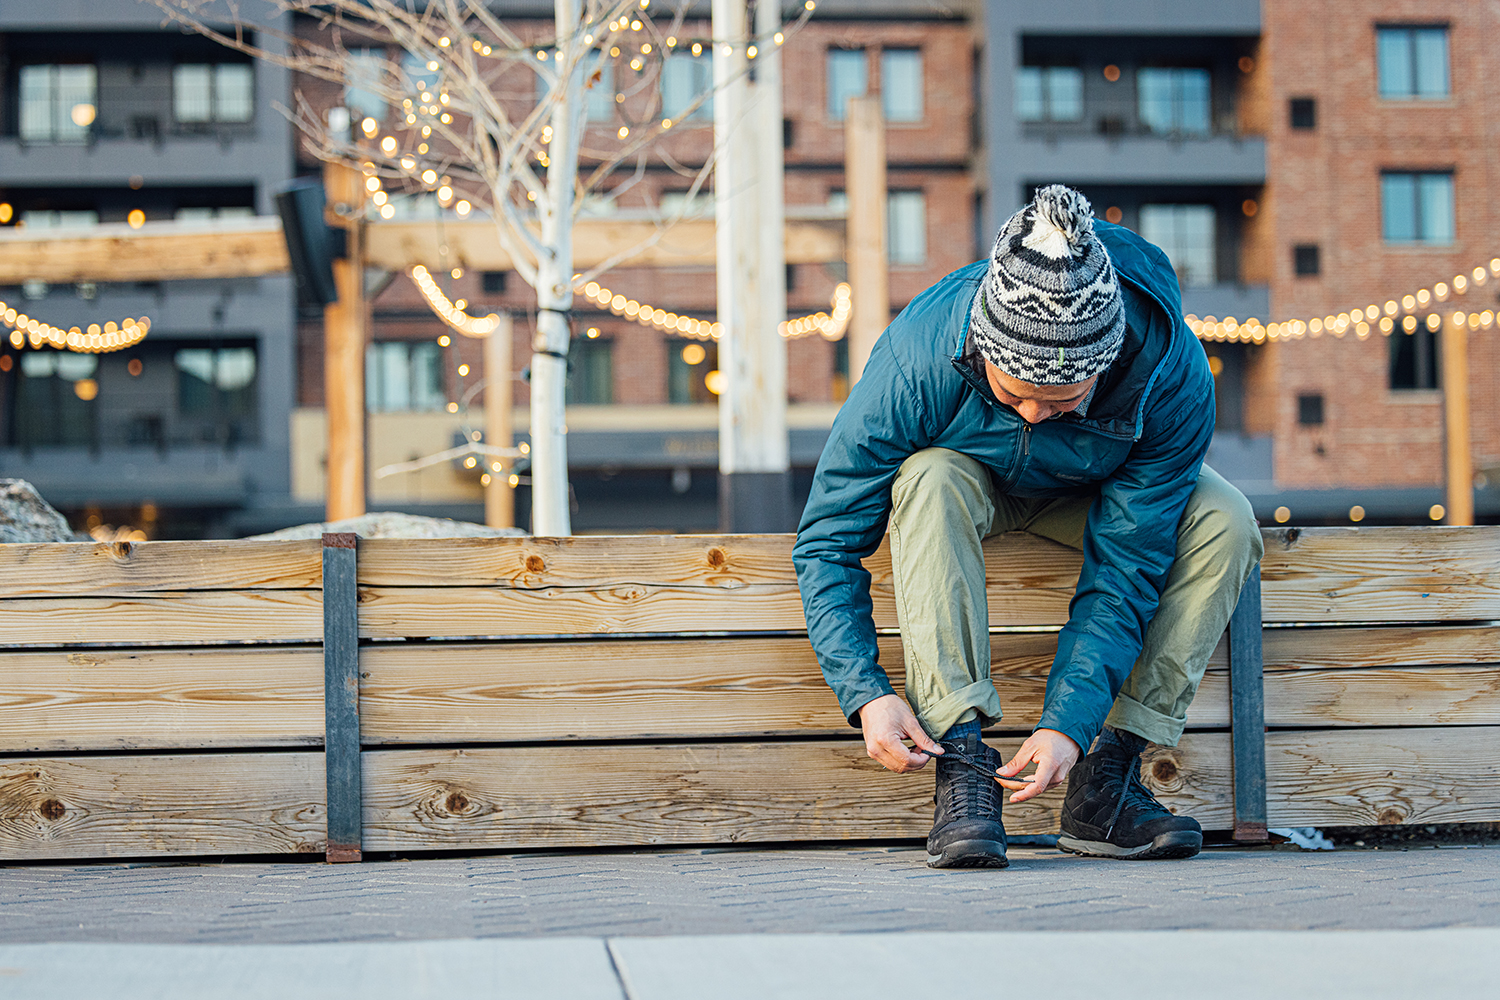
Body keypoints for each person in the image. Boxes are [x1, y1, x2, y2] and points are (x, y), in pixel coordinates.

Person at [793, 185, 1263, 869]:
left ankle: (1109, 780)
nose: (1035, 415)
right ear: (982, 345)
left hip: (1097, 493)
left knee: (1225, 519)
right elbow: (829, 538)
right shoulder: (916, 358)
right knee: (927, 477)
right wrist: (865, 692)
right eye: (1013, 393)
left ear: (1103, 368)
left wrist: (1069, 727)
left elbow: (1127, 568)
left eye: (1063, 400)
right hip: (973, 482)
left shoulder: (1172, 377)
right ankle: (960, 765)